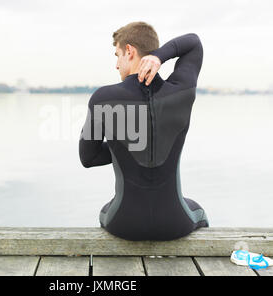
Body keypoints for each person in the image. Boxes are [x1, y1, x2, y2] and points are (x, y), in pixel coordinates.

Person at [79, 21, 209, 241]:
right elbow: (194, 43)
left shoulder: (103, 98)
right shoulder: (182, 92)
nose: (116, 65)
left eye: (117, 55)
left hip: (124, 224)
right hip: (175, 223)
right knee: (199, 212)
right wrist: (160, 56)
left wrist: (124, 145)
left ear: (129, 51)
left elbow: (88, 158)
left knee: (104, 210)